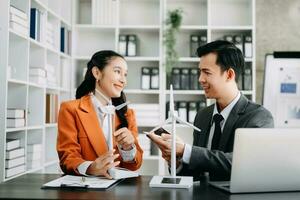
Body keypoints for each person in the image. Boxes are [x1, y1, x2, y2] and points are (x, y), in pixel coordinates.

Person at [148, 40, 274, 181]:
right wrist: (177, 160)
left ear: (229, 75)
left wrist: (185, 150)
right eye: (200, 72)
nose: (200, 79)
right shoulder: (203, 116)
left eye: (206, 72)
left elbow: (242, 164)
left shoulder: (259, 117)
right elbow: (196, 173)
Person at [57, 50, 143, 178]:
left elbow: (134, 165)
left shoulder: (127, 114)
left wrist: (128, 149)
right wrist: (90, 168)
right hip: (86, 190)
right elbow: (67, 158)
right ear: (97, 73)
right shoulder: (70, 109)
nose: (123, 80)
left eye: (125, 74)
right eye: (117, 71)